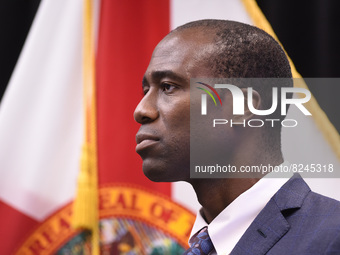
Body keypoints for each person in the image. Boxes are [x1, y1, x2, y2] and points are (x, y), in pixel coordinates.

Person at [134, 19, 340, 255]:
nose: (141, 110)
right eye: (145, 90)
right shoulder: (197, 246)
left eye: (168, 87)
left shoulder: (332, 238)